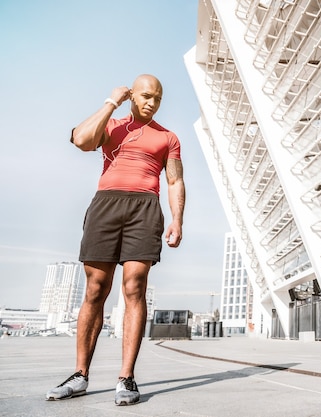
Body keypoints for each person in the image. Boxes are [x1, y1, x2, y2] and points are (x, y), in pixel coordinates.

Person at [46, 74, 185, 406]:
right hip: (106, 204)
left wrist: (177, 218)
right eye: (147, 96)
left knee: (135, 286)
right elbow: (81, 140)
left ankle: (126, 378)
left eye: (158, 98)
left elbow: (175, 181)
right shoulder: (113, 125)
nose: (152, 103)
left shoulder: (168, 137)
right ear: (133, 96)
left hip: (145, 208)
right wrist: (111, 102)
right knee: (95, 289)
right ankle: (80, 375)